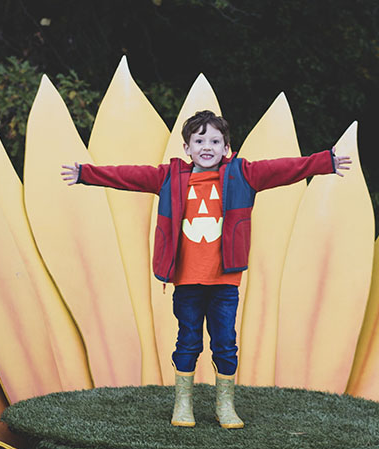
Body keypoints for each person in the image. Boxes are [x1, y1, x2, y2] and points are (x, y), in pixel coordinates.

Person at [61, 110, 351, 429]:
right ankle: (182, 404)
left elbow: (285, 169)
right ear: (186, 148)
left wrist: (325, 162)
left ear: (227, 147)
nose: (207, 146)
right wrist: (86, 173)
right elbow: (128, 176)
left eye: (215, 140)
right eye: (199, 141)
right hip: (186, 283)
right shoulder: (169, 177)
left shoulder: (243, 174)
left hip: (225, 283)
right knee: (187, 341)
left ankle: (224, 405)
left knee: (225, 342)